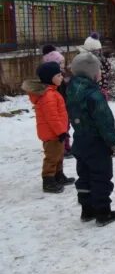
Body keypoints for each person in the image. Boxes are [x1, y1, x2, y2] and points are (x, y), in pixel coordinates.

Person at [66, 52, 115, 226]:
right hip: (96, 143)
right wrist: (112, 142)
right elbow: (105, 121)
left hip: (80, 141)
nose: (100, 74)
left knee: (84, 175)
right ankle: (103, 212)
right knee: (100, 176)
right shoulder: (94, 95)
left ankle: (87, 209)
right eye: (98, 71)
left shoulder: (71, 90)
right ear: (92, 73)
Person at [21, 62, 74, 193]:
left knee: (59, 154)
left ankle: (58, 175)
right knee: (52, 157)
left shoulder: (53, 92)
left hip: (57, 132)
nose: (61, 77)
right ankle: (48, 180)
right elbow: (52, 117)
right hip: (52, 134)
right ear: (49, 78)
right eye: (58, 75)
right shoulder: (48, 95)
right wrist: (61, 132)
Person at [42, 45, 72, 157]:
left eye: (63, 62)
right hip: (60, 107)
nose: (63, 65)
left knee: (66, 126)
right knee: (62, 127)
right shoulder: (55, 79)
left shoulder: (61, 75)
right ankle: (63, 148)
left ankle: (67, 146)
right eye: (60, 63)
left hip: (65, 106)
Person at [81, 33, 111, 99]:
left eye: (99, 50)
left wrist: (104, 61)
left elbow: (108, 68)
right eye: (95, 51)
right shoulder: (87, 61)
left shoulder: (101, 58)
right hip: (94, 88)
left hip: (103, 86)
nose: (98, 52)